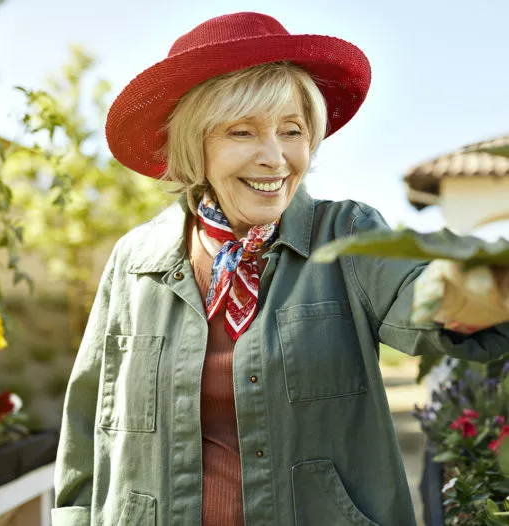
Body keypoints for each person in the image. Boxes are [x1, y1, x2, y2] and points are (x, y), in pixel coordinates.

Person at [51, 12, 509, 526]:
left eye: (291, 131)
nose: (276, 157)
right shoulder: (136, 261)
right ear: (194, 146)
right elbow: (90, 420)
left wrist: (484, 283)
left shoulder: (346, 234)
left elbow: (427, 295)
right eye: (242, 132)